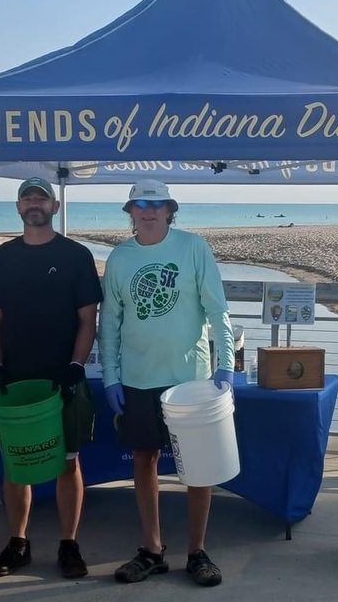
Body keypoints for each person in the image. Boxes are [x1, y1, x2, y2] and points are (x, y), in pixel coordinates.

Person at [98, 179, 235, 587]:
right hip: (138, 381)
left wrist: (224, 365)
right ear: (130, 211)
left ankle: (197, 552)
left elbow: (218, 310)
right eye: (140, 204)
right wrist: (110, 377)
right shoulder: (119, 259)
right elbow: (110, 326)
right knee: (145, 460)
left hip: (190, 383)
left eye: (157, 204)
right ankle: (152, 549)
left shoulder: (194, 247)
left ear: (170, 210)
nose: (149, 210)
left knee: (197, 469)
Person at [0, 177, 102, 579]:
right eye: (27, 197)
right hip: (14, 379)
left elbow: (89, 319)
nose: (34, 203)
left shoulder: (76, 255)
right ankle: (18, 543)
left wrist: (76, 367)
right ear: (18, 207)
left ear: (54, 206)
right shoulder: (2, 256)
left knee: (68, 463)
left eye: (41, 197)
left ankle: (69, 544)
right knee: (17, 466)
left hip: (62, 377)